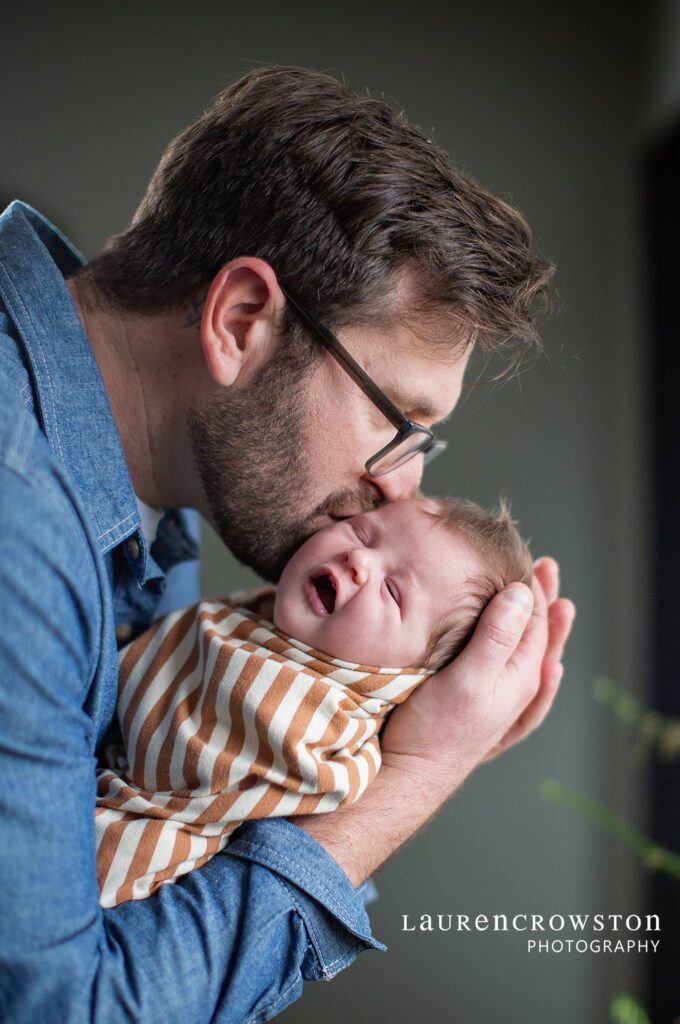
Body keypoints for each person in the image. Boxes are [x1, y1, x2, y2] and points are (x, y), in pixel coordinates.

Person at [0, 65, 574, 1023]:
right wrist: (418, 771)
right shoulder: (20, 517)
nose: (401, 485)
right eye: (399, 420)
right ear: (241, 321)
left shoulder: (154, 505)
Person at [96, 495, 533, 908]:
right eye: (362, 532)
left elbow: (184, 745)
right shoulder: (257, 620)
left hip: (127, 864)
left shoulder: (320, 725)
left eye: (394, 593)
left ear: (402, 679)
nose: (359, 561)